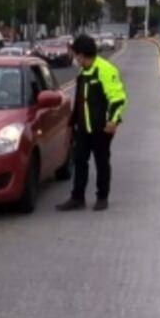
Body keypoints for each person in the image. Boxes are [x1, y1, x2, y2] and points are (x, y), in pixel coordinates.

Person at [57, 34, 127, 212]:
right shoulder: (83, 72)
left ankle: (102, 197)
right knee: (80, 161)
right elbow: (80, 101)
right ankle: (77, 198)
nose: (74, 58)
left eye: (75, 55)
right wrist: (72, 124)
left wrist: (112, 121)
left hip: (101, 128)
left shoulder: (105, 70)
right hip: (83, 129)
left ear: (81, 54)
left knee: (102, 162)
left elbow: (117, 98)